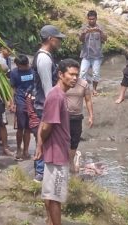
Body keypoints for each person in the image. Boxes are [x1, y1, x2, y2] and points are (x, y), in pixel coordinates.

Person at [34, 58, 79, 225]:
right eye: (71, 74)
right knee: (55, 198)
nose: (75, 78)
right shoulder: (56, 96)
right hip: (57, 154)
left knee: (49, 194)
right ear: (60, 74)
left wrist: (40, 144)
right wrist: (41, 143)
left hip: (55, 152)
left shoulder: (58, 94)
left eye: (77, 75)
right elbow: (46, 126)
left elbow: (44, 121)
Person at [32, 24, 65, 182]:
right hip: (44, 104)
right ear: (50, 39)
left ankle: (42, 171)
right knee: (44, 135)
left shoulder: (46, 56)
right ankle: (40, 173)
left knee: (45, 135)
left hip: (44, 103)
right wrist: (52, 106)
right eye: (58, 39)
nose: (59, 42)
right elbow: (47, 87)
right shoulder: (44, 58)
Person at [66, 77, 93, 173]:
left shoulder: (83, 84)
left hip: (77, 117)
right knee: (63, 140)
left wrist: (91, 116)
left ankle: (71, 162)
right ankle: (63, 162)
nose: (73, 76)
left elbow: (88, 100)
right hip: (63, 116)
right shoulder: (63, 82)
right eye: (71, 73)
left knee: (74, 140)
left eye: (76, 73)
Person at [10, 54, 34, 161]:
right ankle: (19, 148)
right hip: (20, 101)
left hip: (32, 101)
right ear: (18, 65)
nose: (26, 67)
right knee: (20, 128)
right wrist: (12, 103)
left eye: (27, 65)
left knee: (28, 128)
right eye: (23, 66)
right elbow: (13, 88)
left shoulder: (33, 71)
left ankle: (26, 150)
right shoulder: (14, 73)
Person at [79, 10, 107, 96]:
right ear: (87, 19)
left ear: (96, 18)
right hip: (86, 55)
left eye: (93, 19)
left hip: (97, 55)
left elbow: (105, 39)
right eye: (90, 19)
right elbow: (80, 39)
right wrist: (84, 33)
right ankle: (83, 89)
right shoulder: (84, 27)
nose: (91, 21)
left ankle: (94, 89)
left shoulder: (100, 27)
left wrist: (99, 31)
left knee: (96, 74)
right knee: (82, 73)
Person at [0, 42, 14, 156]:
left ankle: (4, 145)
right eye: (8, 50)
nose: (9, 53)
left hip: (2, 93)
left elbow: (8, 73)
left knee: (2, 123)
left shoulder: (9, 60)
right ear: (2, 49)